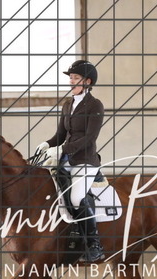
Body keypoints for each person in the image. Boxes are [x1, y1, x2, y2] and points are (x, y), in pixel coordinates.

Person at [36, 60, 105, 263]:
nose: (71, 81)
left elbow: (89, 138)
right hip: (65, 159)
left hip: (85, 161)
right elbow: (60, 135)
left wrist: (62, 149)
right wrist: (47, 145)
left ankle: (94, 245)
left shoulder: (95, 105)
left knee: (76, 198)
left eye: (76, 78)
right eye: (71, 78)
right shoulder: (67, 104)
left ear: (87, 81)